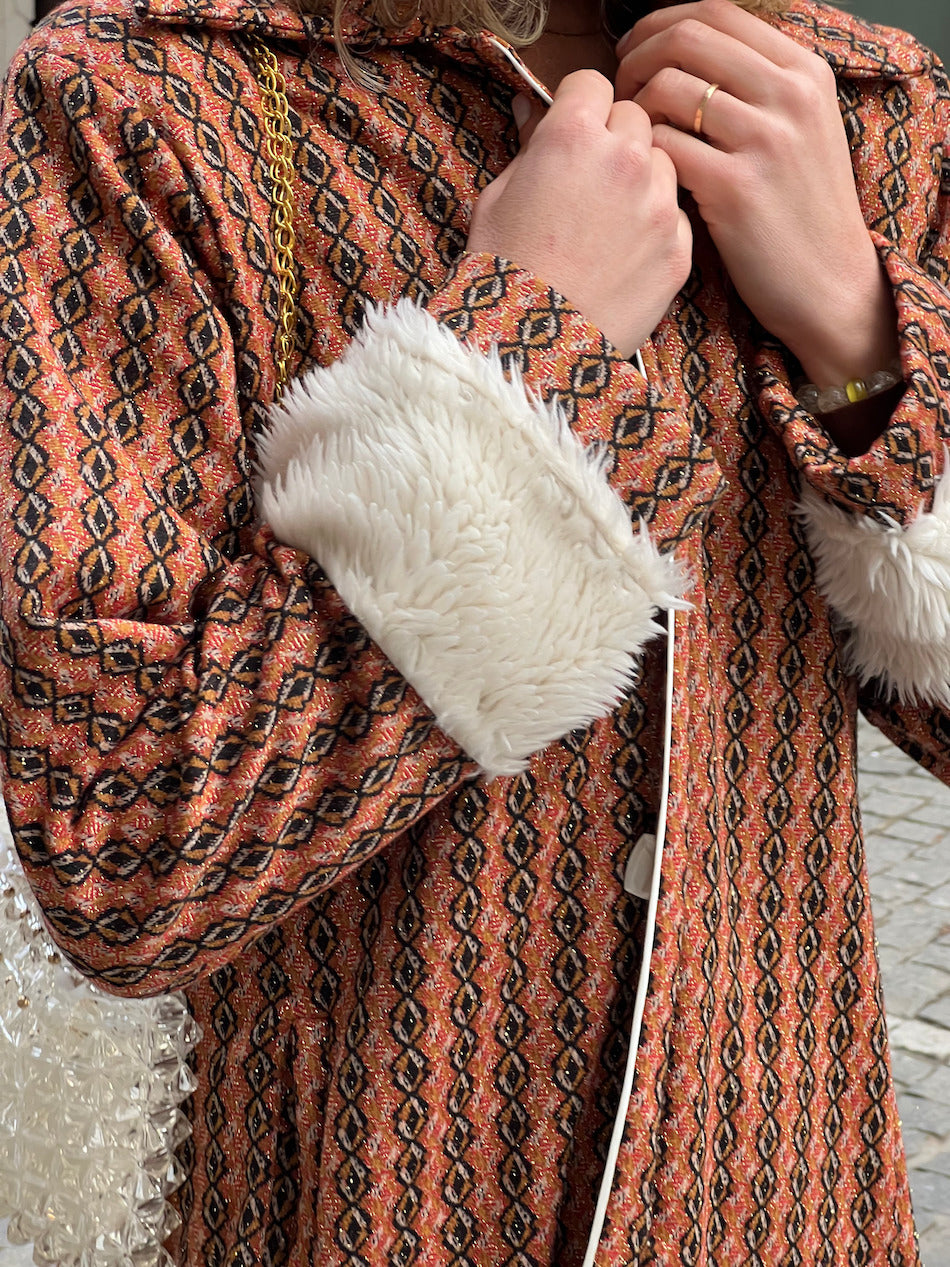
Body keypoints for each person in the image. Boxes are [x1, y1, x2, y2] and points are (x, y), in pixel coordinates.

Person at [0, 0, 948, 1261]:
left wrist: (860, 343)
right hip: (346, 1210)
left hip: (783, 1188)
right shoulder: (149, 97)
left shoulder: (863, 106)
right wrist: (523, 358)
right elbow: (117, 852)